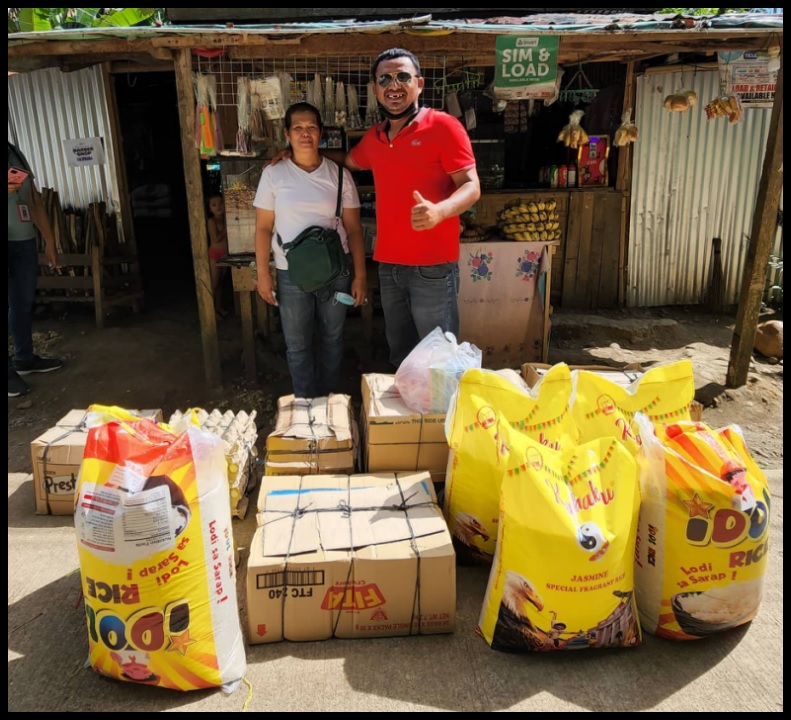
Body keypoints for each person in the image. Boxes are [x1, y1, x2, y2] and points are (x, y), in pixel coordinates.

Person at [271, 48, 481, 368]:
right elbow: (347, 162)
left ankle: (444, 416)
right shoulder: (376, 137)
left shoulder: (444, 126)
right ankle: (409, 418)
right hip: (390, 266)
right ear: (375, 89)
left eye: (402, 77)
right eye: (385, 78)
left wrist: (441, 211)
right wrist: (298, 154)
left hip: (433, 265)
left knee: (441, 356)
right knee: (402, 354)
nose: (393, 85)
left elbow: (471, 185)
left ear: (419, 84)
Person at [253, 102, 367, 399]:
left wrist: (360, 276)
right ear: (287, 134)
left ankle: (329, 401)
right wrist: (263, 274)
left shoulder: (340, 176)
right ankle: (304, 403)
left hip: (335, 272)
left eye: (312, 127)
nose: (306, 134)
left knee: (332, 337)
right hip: (291, 275)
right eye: (298, 128)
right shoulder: (273, 175)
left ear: (321, 133)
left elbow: (354, 230)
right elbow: (263, 227)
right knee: (297, 344)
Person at [8, 140, 63, 398]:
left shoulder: (14, 151)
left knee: (22, 302)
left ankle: (24, 358)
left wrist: (49, 240)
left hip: (24, 240)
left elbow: (34, 199)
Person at [206, 192, 229, 318]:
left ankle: (218, 307)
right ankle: (211, 311)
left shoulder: (226, 219)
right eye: (214, 205)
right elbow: (216, 239)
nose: (218, 207)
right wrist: (227, 228)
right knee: (214, 284)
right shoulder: (211, 221)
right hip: (215, 254)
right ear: (210, 209)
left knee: (221, 283)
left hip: (225, 253)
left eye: (220, 203)